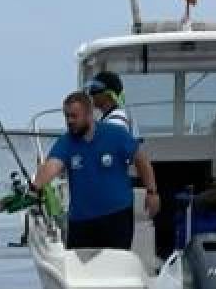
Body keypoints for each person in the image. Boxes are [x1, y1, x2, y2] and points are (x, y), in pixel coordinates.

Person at [31, 91, 159, 250]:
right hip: (81, 220)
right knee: (79, 271)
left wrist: (152, 192)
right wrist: (35, 186)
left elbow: (142, 160)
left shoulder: (115, 134)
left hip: (117, 215)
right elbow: (52, 165)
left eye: (74, 116)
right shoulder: (66, 142)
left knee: (114, 267)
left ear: (89, 115)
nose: (69, 121)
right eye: (67, 117)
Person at [86, 71, 135, 135]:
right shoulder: (107, 117)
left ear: (109, 94)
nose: (90, 94)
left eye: (94, 89)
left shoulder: (116, 122)